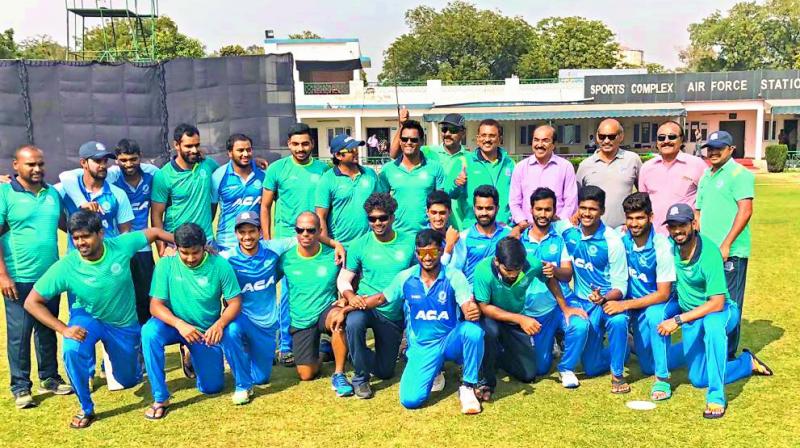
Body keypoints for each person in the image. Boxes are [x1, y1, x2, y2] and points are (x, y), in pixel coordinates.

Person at [23, 210, 173, 428]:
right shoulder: (67, 266)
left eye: (86, 236)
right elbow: (31, 302)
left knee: (129, 380)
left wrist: (188, 245)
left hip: (123, 324)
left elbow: (154, 231)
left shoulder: (120, 246)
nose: (80, 243)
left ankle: (121, 359)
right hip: (88, 318)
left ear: (101, 234)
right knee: (72, 348)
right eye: (76, 238)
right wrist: (64, 329)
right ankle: (86, 408)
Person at [659, 203, 772, 419]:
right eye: (672, 226)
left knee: (712, 326)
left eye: (682, 225)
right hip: (693, 316)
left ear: (693, 224)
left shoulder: (709, 252)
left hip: (720, 312)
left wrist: (678, 320)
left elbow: (717, 303)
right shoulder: (669, 247)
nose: (677, 231)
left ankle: (716, 397)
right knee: (698, 378)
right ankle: (745, 363)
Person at [355, 229, 484, 414]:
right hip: (422, 347)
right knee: (410, 400)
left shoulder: (454, 275)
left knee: (473, 332)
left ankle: (468, 386)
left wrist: (470, 309)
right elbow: (380, 299)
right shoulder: (406, 277)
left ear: (441, 251)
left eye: (432, 252)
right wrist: (347, 307)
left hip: (449, 340)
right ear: (417, 253)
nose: (428, 257)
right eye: (422, 252)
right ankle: (435, 370)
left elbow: (465, 302)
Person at [142, 222, 248, 419]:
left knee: (212, 387)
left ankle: (190, 352)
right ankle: (160, 397)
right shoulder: (166, 264)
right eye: (184, 253)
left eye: (195, 253)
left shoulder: (220, 265)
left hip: (203, 331)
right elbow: (155, 306)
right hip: (173, 325)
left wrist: (220, 324)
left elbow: (235, 302)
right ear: (176, 247)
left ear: (204, 246)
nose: (190, 258)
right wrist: (180, 324)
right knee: (149, 332)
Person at [0, 145, 72, 409]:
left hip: (49, 276)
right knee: (20, 333)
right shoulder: (5, 193)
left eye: (40, 164)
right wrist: (2, 275)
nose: (37, 169)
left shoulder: (52, 193)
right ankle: (20, 387)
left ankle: (50, 378)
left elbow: (68, 225)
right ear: (16, 165)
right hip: (18, 277)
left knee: (47, 328)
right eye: (30, 164)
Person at [59, 138, 159, 324]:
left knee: (118, 313)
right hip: (78, 265)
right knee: (80, 316)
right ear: (83, 163)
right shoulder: (67, 190)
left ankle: (117, 352)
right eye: (97, 161)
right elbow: (63, 177)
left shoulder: (117, 193)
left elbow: (125, 233)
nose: (103, 165)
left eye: (105, 161)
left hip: (110, 262)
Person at [474, 237, 587, 399]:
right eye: (508, 271)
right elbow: (484, 307)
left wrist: (565, 307)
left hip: (514, 320)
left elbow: (550, 280)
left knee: (529, 374)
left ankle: (498, 357)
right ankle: (486, 381)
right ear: (497, 261)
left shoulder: (532, 263)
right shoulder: (483, 270)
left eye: (517, 270)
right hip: (491, 318)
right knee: (490, 332)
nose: (513, 275)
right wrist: (521, 319)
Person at [261, 123, 330, 366]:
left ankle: (321, 340)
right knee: (286, 293)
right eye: (295, 144)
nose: (300, 148)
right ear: (288, 144)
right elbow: (265, 206)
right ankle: (285, 345)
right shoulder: (277, 169)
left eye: (305, 143)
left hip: (314, 236)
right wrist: (269, 240)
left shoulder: (323, 170)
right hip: (285, 240)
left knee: (318, 289)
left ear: (312, 144)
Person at [337, 193, 415, 398]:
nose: (378, 223)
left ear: (392, 217)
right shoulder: (359, 244)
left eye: (383, 218)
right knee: (353, 323)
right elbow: (344, 278)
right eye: (372, 219)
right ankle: (360, 379)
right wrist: (349, 295)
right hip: (364, 305)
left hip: (392, 313)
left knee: (386, 371)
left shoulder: (408, 243)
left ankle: (357, 354)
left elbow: (418, 276)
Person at [605, 192, 679, 400]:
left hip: (659, 303)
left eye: (640, 218)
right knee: (647, 366)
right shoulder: (621, 239)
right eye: (630, 218)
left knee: (656, 316)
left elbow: (663, 294)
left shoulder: (662, 246)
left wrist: (625, 305)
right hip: (636, 307)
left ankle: (663, 380)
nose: (634, 223)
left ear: (651, 216)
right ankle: (692, 347)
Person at [519, 187, 590, 389]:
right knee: (540, 368)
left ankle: (566, 368)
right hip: (532, 310)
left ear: (554, 210)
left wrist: (554, 269)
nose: (543, 214)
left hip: (559, 305)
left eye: (548, 209)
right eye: (539, 209)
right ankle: (550, 345)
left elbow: (568, 274)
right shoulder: (520, 241)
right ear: (531, 209)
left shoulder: (559, 240)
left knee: (580, 325)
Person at [563, 186, 631, 393]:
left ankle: (617, 374)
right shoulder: (569, 234)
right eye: (583, 208)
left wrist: (604, 298)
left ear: (602, 211)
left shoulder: (612, 241)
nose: (586, 213)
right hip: (583, 304)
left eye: (592, 209)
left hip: (608, 302)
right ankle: (625, 349)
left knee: (619, 321)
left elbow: (621, 285)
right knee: (591, 368)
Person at [277, 212, 352, 397]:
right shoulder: (285, 259)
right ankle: (322, 352)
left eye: (310, 230)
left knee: (339, 319)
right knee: (306, 374)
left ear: (319, 231)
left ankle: (339, 373)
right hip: (302, 318)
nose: (305, 234)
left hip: (327, 310)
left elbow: (352, 276)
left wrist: (346, 298)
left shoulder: (334, 256)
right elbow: (264, 280)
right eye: (300, 230)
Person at [696, 130, 754, 358]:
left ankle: (727, 355)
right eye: (710, 147)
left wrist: (727, 243)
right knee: (708, 300)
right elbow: (698, 212)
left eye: (719, 147)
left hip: (731, 251)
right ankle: (709, 349)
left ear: (731, 149)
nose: (713, 152)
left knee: (729, 303)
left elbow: (746, 210)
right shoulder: (706, 175)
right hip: (707, 252)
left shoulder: (740, 174)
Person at [390, 112, 471, 230]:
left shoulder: (470, 158)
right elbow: (395, 153)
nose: (447, 133)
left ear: (463, 132)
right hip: (433, 225)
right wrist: (402, 125)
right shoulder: (428, 151)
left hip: (461, 224)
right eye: (444, 129)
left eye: (453, 130)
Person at [151, 124, 219, 254]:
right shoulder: (164, 175)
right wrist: (162, 248)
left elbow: (229, 169)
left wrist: (252, 162)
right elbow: (156, 215)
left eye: (197, 145)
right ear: (176, 145)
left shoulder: (207, 164)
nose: (194, 150)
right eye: (188, 146)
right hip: (177, 243)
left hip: (207, 241)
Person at [378, 120, 447, 234]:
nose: (408, 142)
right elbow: (381, 204)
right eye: (405, 139)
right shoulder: (388, 169)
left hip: (428, 235)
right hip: (397, 234)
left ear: (421, 141)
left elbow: (441, 204)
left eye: (414, 140)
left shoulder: (435, 168)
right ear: (400, 141)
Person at [638, 121, 707, 235]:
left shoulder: (697, 164)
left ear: (681, 140)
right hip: (655, 235)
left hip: (686, 235)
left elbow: (708, 198)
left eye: (672, 137)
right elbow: (643, 203)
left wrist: (699, 217)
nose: (666, 141)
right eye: (661, 138)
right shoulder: (647, 167)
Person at [315, 134, 381, 247]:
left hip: (369, 244)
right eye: (351, 149)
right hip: (341, 246)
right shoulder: (327, 179)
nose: (356, 152)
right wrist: (329, 246)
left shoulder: (370, 174)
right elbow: (321, 216)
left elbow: (381, 205)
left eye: (356, 148)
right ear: (338, 155)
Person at [576, 119, 642, 228]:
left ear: (621, 137)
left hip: (624, 231)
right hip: (593, 232)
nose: (606, 141)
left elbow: (642, 194)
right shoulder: (585, 165)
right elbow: (577, 199)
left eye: (611, 137)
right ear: (597, 137)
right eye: (602, 136)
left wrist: (635, 220)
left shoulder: (632, 160)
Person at [448, 119, 515, 227]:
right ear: (478, 139)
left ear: (499, 139)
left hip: (503, 230)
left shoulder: (510, 163)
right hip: (474, 230)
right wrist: (457, 184)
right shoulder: (464, 162)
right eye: (483, 135)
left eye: (492, 136)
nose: (487, 139)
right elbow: (449, 193)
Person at [509, 125, 578, 230]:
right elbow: (514, 201)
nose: (539, 145)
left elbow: (571, 201)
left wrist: (560, 223)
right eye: (536, 140)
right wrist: (522, 221)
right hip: (527, 229)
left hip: (557, 229)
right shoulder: (521, 167)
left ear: (554, 144)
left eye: (545, 141)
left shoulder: (565, 167)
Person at [211, 133, 266, 250]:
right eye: (240, 150)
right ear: (230, 153)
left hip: (256, 241)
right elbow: (210, 213)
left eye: (248, 150)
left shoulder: (263, 174)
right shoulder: (219, 176)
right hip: (227, 243)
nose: (245, 154)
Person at [448, 185, 511, 283]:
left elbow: (520, 268)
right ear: (474, 208)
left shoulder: (509, 234)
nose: (484, 213)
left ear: (497, 208)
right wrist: (465, 294)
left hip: (501, 295)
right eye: (480, 208)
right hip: (473, 294)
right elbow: (455, 271)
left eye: (489, 208)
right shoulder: (464, 237)